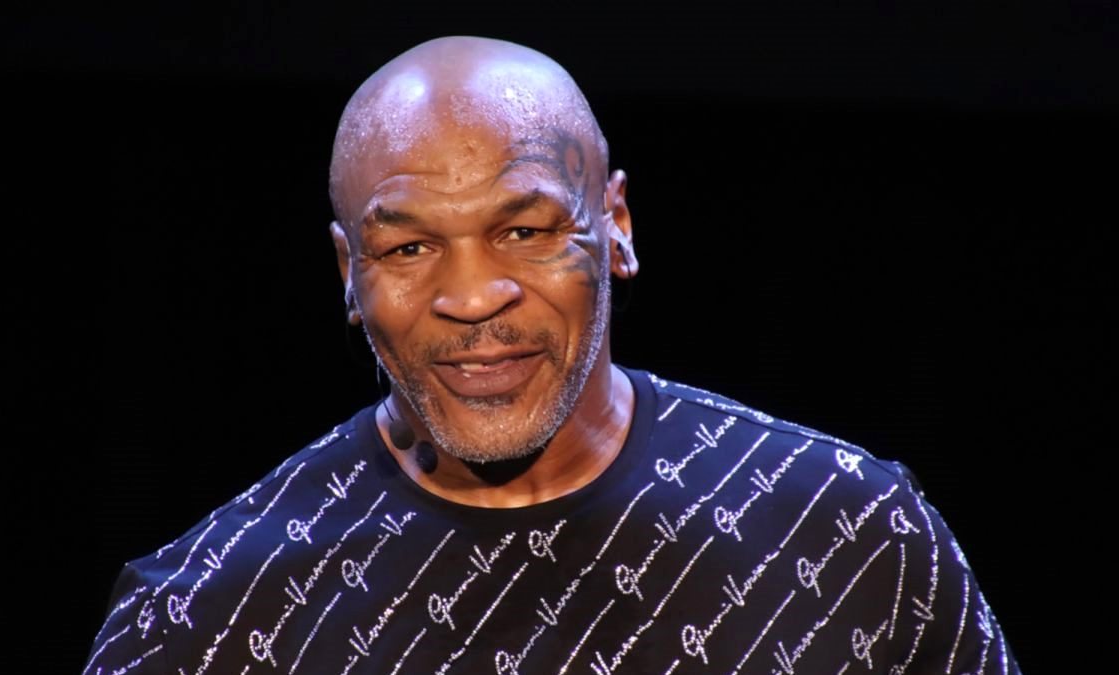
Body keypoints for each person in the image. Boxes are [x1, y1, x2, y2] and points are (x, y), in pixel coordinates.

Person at [84, 36, 1020, 674]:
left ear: (616, 224)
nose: (471, 296)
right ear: (348, 272)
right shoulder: (205, 617)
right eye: (408, 247)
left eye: (525, 230)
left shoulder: (848, 532)